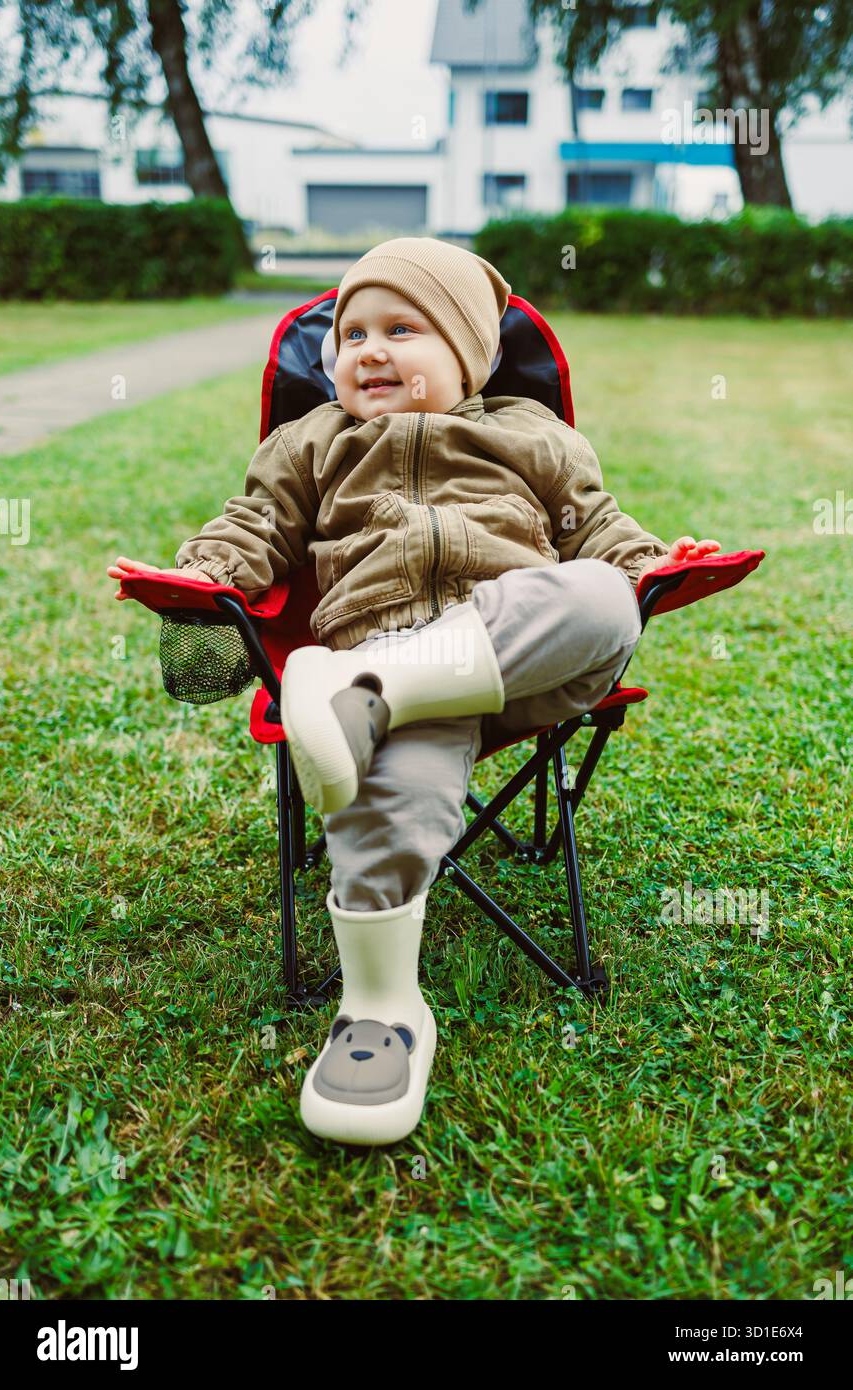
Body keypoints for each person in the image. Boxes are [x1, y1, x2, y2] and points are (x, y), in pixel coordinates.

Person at [107, 237, 719, 1148]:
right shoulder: (312, 440)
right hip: (380, 650)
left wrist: (647, 565)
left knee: (602, 603)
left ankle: (370, 694)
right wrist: (204, 575)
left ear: (472, 354)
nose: (368, 350)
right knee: (393, 793)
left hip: (522, 655)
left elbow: (595, 525)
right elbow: (252, 526)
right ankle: (381, 1009)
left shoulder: (532, 433)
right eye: (352, 334)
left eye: (402, 328)